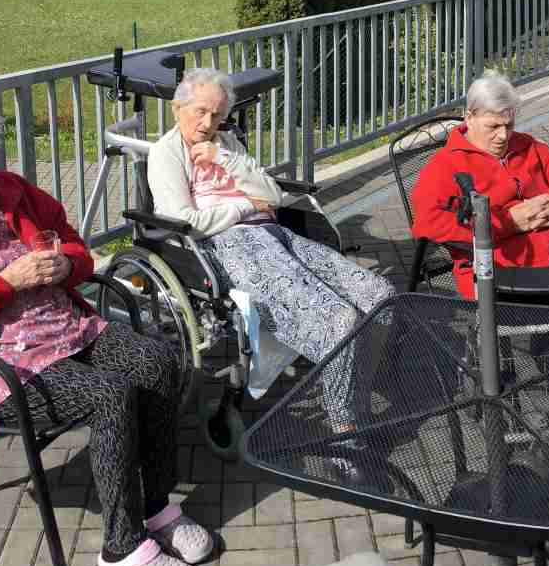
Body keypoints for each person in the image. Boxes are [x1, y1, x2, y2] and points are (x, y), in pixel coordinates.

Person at [0, 106, 216, 566]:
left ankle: (156, 507)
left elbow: (75, 247)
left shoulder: (12, 190)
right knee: (110, 397)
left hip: (68, 329)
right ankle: (122, 548)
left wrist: (67, 265)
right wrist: (3, 282)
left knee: (157, 360)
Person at [147, 68, 394, 427]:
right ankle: (344, 423)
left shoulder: (226, 144)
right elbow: (188, 221)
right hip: (231, 246)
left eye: (216, 114)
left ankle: (357, 390)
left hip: (276, 233)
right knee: (339, 319)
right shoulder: (166, 154)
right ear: (177, 108)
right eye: (200, 111)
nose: (208, 123)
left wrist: (223, 158)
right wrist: (245, 206)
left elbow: (273, 196)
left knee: (380, 296)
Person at [410, 70, 549, 304]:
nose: (503, 136)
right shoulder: (445, 164)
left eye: (508, 125)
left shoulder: (528, 146)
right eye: (493, 126)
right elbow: (427, 222)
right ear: (469, 118)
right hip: (502, 263)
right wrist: (507, 223)